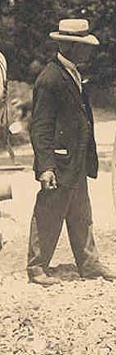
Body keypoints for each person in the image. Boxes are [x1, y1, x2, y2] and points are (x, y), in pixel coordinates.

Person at [27, 19, 116, 286]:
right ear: (69, 46)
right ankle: (36, 267)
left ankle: (89, 265)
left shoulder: (73, 74)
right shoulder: (50, 78)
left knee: (81, 213)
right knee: (49, 212)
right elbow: (40, 126)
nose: (88, 52)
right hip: (59, 160)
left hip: (76, 159)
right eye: (83, 46)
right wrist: (46, 167)